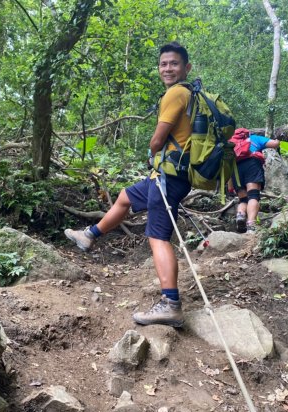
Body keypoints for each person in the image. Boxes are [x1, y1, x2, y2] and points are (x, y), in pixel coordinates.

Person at [64, 42, 193, 328]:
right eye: (163, 64)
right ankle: (89, 235)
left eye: (173, 63)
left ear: (186, 67)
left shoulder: (175, 94)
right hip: (171, 175)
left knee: (158, 236)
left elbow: (158, 139)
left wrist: (151, 152)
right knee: (125, 196)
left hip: (168, 177)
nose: (167, 68)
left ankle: (170, 304)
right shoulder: (191, 95)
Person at [228, 129, 279, 233]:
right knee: (253, 195)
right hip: (252, 165)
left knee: (243, 199)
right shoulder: (254, 138)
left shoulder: (231, 144)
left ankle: (241, 216)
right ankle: (251, 224)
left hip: (235, 170)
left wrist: (230, 185)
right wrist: (278, 140)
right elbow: (274, 144)